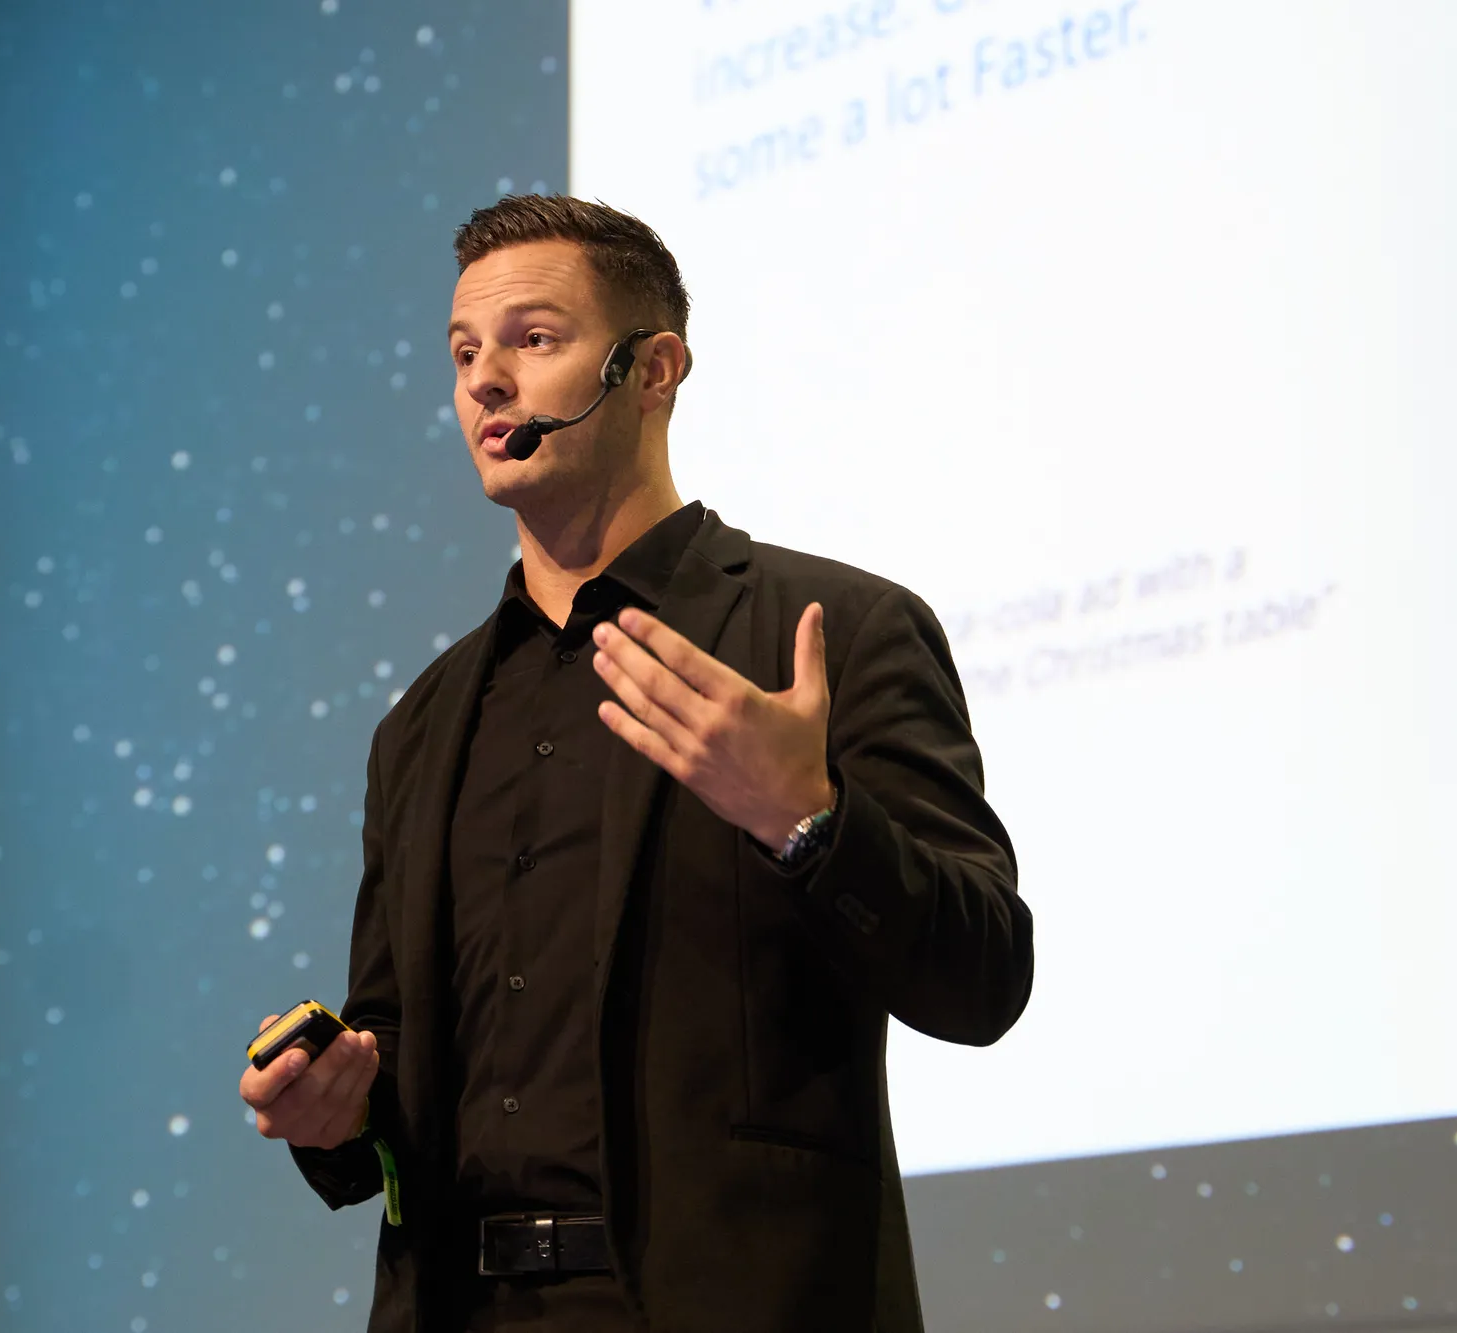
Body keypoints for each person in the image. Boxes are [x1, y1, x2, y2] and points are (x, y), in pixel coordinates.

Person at [237, 195, 1033, 1333]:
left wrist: (807, 820)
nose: (484, 382)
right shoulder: (421, 723)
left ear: (651, 370)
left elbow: (984, 976)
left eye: (533, 339)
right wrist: (335, 1110)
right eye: (464, 352)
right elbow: (396, 1058)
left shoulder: (828, 631)